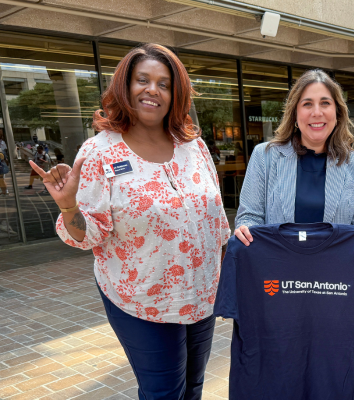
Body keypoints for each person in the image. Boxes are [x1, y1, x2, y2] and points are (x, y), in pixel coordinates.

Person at [29, 43, 230, 399]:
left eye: (164, 84)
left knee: (194, 387)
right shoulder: (100, 151)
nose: (153, 90)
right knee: (164, 392)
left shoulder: (193, 147)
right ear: (125, 86)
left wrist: (230, 283)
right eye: (143, 80)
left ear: (175, 94)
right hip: (140, 300)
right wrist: (68, 206)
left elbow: (215, 221)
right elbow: (88, 236)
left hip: (201, 293)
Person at [234, 69, 354, 246]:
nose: (317, 112)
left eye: (325, 103)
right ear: (295, 113)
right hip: (279, 269)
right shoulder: (264, 156)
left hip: (335, 270)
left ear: (338, 112)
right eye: (307, 104)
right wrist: (245, 228)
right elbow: (249, 217)